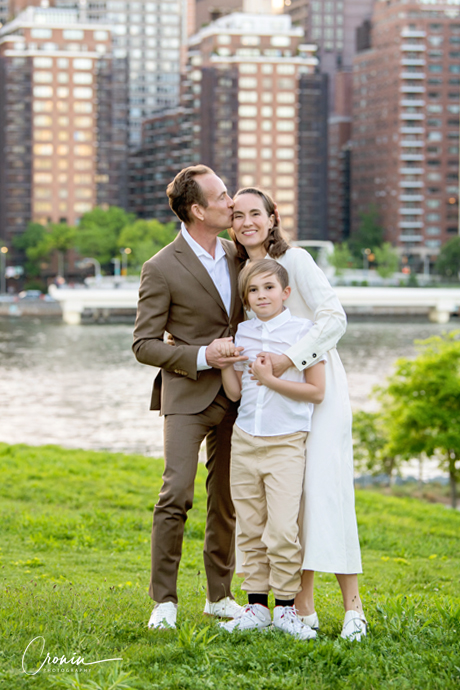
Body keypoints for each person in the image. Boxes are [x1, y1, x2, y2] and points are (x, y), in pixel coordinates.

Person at [229, 188, 367, 641]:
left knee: (325, 492)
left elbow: (334, 318)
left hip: (315, 387)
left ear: (273, 218)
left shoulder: (297, 260)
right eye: (237, 215)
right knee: (293, 504)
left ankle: (353, 609)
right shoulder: (242, 272)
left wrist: (289, 359)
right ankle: (300, 606)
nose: (246, 222)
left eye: (256, 213)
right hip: (270, 406)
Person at [132, 165, 247, 630]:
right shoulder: (159, 267)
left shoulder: (239, 254)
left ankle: (220, 596)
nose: (231, 202)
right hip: (186, 395)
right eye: (221, 197)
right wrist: (202, 355)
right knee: (175, 493)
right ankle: (164, 601)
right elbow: (143, 345)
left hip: (238, 395)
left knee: (226, 498)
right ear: (198, 210)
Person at [219, 259, 326, 639]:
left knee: (282, 528)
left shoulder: (305, 333)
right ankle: (257, 608)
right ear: (246, 298)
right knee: (249, 527)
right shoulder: (243, 332)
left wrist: (270, 378)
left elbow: (317, 391)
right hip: (245, 438)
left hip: (286, 442)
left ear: (286, 293)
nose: (261, 295)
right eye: (253, 290)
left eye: (268, 288)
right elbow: (235, 393)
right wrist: (226, 365)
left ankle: (285, 608)